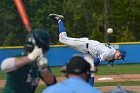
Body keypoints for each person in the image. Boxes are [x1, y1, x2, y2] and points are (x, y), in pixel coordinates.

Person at [48, 14, 126, 86]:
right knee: (62, 39)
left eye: (120, 58)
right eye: (120, 55)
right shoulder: (109, 52)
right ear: (118, 51)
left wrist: (106, 62)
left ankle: (88, 89)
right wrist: (95, 66)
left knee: (91, 71)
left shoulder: (112, 53)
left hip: (89, 54)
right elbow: (97, 61)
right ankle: (60, 20)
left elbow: (109, 58)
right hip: (85, 45)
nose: (119, 57)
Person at [0, 29, 56, 93]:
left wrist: (44, 69)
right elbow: (4, 66)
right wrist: (30, 57)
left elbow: (51, 82)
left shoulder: (40, 62)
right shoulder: (19, 58)